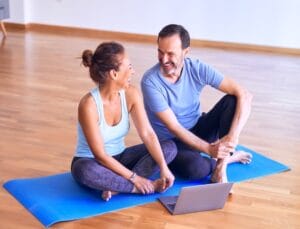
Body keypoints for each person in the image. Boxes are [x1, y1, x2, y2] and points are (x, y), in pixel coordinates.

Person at [141, 24, 253, 183]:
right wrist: (209, 149)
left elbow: (245, 95)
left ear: (186, 52)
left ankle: (221, 168)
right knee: (196, 169)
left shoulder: (197, 68)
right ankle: (227, 158)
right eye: (160, 52)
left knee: (233, 100)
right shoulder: (150, 81)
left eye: (170, 54)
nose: (164, 59)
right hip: (172, 143)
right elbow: (175, 127)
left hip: (198, 128)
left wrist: (232, 138)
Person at [71, 42, 177, 201]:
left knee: (169, 148)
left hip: (121, 158)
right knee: (84, 171)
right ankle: (136, 188)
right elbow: (100, 155)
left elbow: (147, 134)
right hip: (93, 161)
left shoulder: (131, 94)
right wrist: (135, 178)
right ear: (114, 73)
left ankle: (116, 188)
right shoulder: (89, 105)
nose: (133, 71)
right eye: (129, 67)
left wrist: (163, 167)